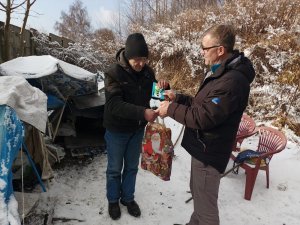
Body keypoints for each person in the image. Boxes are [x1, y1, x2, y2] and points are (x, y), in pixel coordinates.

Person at [156, 24, 255, 225]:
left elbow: (204, 117)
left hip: (209, 152)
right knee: (199, 195)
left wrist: (170, 109)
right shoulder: (220, 72)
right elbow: (201, 105)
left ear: (220, 50)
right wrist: (178, 98)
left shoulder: (232, 81)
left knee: (206, 207)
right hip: (202, 148)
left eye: (205, 48)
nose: (201, 52)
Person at [103, 32, 169, 220]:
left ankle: (128, 198)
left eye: (144, 59)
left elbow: (156, 95)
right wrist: (142, 112)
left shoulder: (148, 72)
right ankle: (113, 200)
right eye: (136, 60)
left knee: (131, 167)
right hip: (116, 130)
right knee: (115, 168)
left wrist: (164, 86)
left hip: (137, 129)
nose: (140, 64)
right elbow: (113, 105)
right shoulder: (113, 73)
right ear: (128, 56)